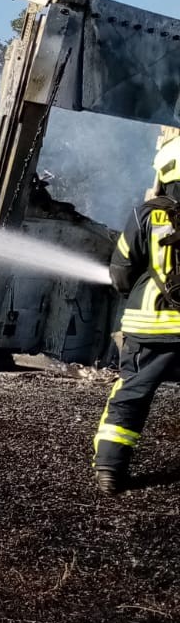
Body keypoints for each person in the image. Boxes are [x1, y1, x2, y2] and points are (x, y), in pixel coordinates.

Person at [93, 131, 180, 494]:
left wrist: (133, 292)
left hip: (151, 326)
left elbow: (122, 269)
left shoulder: (146, 213)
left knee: (132, 393)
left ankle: (110, 470)